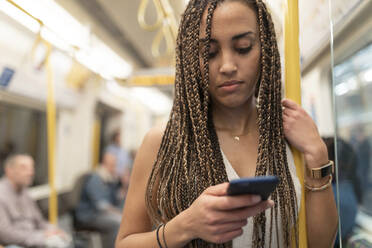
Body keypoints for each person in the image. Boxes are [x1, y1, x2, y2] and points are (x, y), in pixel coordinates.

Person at [115, 0, 338, 247]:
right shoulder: (164, 142)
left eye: (243, 48)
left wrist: (317, 156)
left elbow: (321, 243)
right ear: (192, 60)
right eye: (209, 53)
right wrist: (185, 226)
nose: (228, 66)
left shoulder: (292, 135)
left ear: (265, 49)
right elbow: (124, 243)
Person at [0, 154, 71, 248]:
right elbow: (5, 234)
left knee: (64, 239)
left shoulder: (24, 193)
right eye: (23, 168)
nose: (30, 172)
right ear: (9, 170)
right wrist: (41, 238)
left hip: (34, 238)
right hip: (15, 244)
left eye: (32, 167)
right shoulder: (2, 194)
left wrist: (54, 230)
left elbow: (39, 221)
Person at [75, 152, 122, 248]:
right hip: (88, 216)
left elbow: (113, 201)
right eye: (112, 165)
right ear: (105, 164)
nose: (114, 168)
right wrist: (118, 212)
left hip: (98, 214)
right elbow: (102, 205)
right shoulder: (96, 178)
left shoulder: (108, 179)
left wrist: (117, 183)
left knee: (120, 219)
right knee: (118, 223)